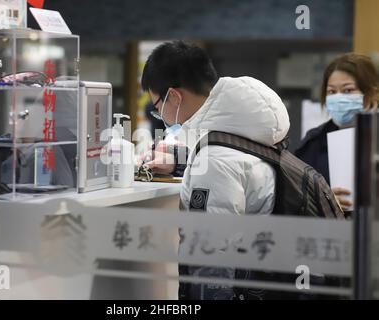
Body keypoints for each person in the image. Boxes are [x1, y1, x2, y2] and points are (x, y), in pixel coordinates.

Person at [141, 41, 290, 299]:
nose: (160, 116)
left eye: (157, 108)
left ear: (173, 97)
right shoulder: (252, 128)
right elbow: (238, 161)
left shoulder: (214, 162)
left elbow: (211, 267)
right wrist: (179, 161)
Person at [295, 53, 379, 212]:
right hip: (331, 231)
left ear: (372, 92)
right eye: (332, 92)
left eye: (348, 90)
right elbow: (295, 196)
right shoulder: (314, 142)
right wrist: (323, 202)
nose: (339, 98)